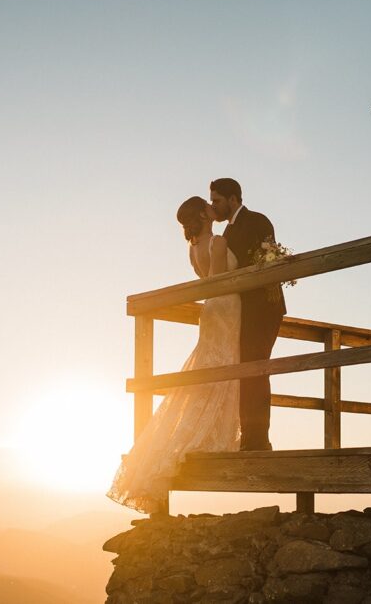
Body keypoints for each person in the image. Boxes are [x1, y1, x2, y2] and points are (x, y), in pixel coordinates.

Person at [106, 196, 243, 513]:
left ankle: (201, 430)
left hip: (210, 312)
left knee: (209, 370)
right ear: (203, 214)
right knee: (226, 367)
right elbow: (222, 283)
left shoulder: (193, 248)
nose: (212, 207)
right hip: (227, 308)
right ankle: (212, 435)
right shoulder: (218, 242)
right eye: (208, 205)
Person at [209, 178, 285, 451]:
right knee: (245, 371)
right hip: (241, 310)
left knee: (257, 369)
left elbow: (265, 262)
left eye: (216, 200)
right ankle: (249, 437)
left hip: (263, 307)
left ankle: (258, 439)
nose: (213, 206)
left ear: (233, 199)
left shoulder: (257, 221)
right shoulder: (226, 234)